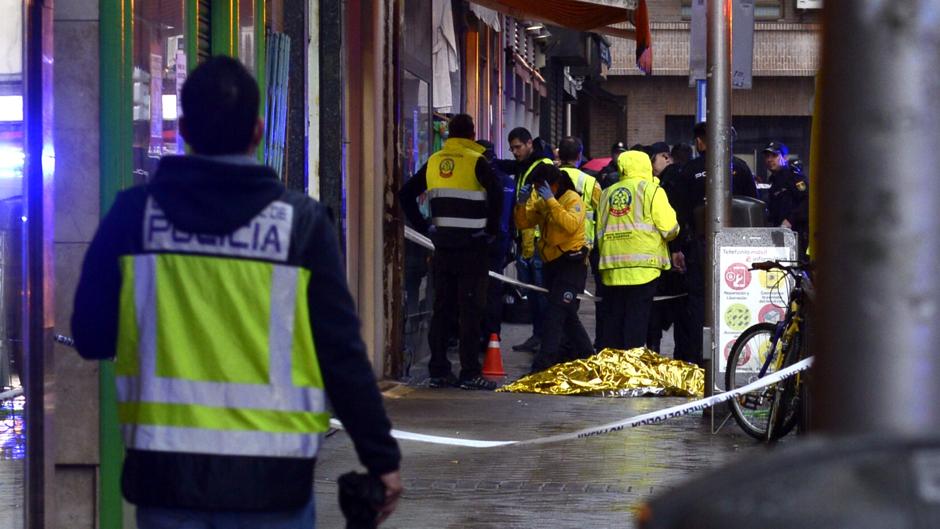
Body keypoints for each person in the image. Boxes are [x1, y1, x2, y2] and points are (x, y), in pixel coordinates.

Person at [71, 56, 402, 528]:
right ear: (258, 131)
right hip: (272, 485)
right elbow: (341, 353)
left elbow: (91, 335)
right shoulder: (301, 225)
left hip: (166, 480)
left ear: (185, 129)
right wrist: (381, 458)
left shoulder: (133, 216)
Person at [399, 114, 502, 390]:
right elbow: (497, 195)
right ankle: (469, 373)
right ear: (471, 134)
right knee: (470, 311)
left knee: (442, 309)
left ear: (449, 135)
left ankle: (438, 370)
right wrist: (491, 231)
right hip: (473, 248)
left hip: (442, 248)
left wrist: (425, 227)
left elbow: (405, 194)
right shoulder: (477, 161)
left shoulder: (434, 161)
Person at [673, 122, 758, 365]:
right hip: (737, 248)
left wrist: (677, 248)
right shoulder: (740, 167)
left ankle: (700, 358)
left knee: (699, 301)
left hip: (700, 247)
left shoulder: (689, 170)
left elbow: (678, 212)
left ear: (700, 142)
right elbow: (754, 205)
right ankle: (733, 354)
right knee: (734, 297)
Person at [596, 150, 680, 350]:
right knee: (637, 325)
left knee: (615, 324)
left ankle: (614, 364)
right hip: (644, 269)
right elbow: (669, 229)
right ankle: (632, 365)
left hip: (612, 269)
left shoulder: (606, 194)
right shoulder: (652, 191)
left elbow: (599, 231)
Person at [514, 164, 594, 372]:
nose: (538, 192)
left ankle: (542, 365)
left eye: (540, 187)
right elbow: (524, 223)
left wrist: (551, 201)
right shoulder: (543, 203)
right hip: (552, 265)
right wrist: (521, 204)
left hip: (572, 264)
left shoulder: (572, 199)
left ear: (553, 184)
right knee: (568, 316)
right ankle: (588, 356)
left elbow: (570, 225)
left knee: (554, 314)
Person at [504, 127, 556, 353]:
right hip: (526, 239)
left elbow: (540, 204)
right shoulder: (526, 166)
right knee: (532, 295)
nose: (515, 152)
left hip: (537, 240)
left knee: (541, 294)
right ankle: (539, 336)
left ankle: (546, 339)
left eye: (518, 147)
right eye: (512, 148)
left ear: (529, 144)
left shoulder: (541, 166)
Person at [556, 136, 604, 346]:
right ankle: (574, 346)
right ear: (579, 155)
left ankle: (560, 343)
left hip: (552, 247)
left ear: (559, 155)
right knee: (571, 298)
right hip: (579, 250)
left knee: (554, 299)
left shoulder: (550, 177)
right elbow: (602, 214)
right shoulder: (590, 182)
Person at [645, 142, 688, 353]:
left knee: (657, 309)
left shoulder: (665, 183)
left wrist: (675, 249)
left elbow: (671, 222)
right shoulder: (669, 180)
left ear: (666, 157)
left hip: (667, 255)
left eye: (653, 160)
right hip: (680, 252)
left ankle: (654, 348)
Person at [477, 140, 516, 347]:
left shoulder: (479, 179)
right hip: (501, 239)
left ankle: (481, 334)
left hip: (482, 238)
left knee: (477, 288)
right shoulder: (508, 181)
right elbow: (513, 214)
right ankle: (493, 334)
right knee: (494, 288)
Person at [763, 141, 809, 252]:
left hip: (795, 232)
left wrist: (790, 220)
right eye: (767, 156)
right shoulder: (774, 180)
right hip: (779, 233)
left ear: (785, 157)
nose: (769, 160)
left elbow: (806, 201)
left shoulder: (794, 177)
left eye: (774, 156)